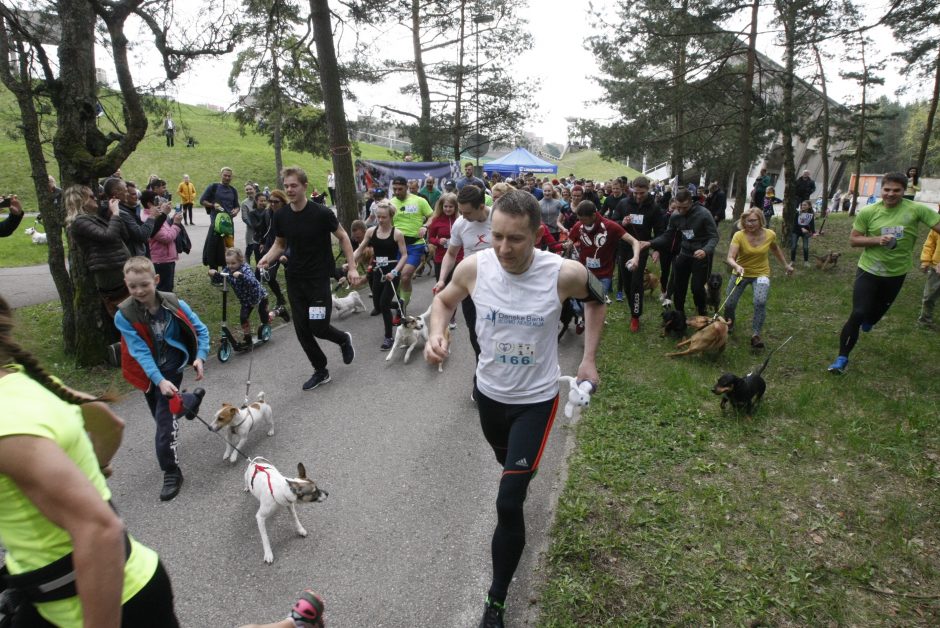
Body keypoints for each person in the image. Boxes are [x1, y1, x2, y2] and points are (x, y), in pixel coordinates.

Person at [423, 189, 607, 628]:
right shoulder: (475, 267)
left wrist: (588, 358)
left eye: (516, 239)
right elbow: (443, 301)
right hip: (489, 396)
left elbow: (598, 299)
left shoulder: (563, 273)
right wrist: (438, 333)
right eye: (498, 237)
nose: (504, 248)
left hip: (536, 401)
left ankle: (497, 602)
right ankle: (518, 468)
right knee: (508, 464)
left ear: (538, 235)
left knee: (509, 500)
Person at [0, 294, 183, 627]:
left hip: (101, 604)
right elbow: (109, 423)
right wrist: (87, 472)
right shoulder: (27, 382)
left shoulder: (5, 421)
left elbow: (99, 531)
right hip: (111, 588)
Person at [114, 256, 209, 501]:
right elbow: (140, 352)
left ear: (155, 280)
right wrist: (157, 380)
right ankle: (190, 400)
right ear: (126, 284)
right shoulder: (124, 315)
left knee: (165, 426)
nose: (138, 291)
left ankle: (171, 472)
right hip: (148, 375)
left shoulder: (174, 303)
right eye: (132, 286)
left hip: (172, 370)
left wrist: (200, 356)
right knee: (162, 416)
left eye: (144, 284)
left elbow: (201, 329)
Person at [258, 167, 359, 391]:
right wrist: (267, 258)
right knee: (302, 329)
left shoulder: (322, 213)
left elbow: (343, 236)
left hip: (318, 280)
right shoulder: (281, 215)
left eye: (294, 185)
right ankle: (320, 370)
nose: (289, 189)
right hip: (295, 279)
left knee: (318, 326)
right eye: (286, 186)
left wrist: (351, 267)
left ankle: (343, 339)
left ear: (304, 186)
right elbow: (280, 244)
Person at [827, 172, 940, 374]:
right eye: (887, 189)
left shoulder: (916, 210)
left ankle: (871, 321)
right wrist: (876, 240)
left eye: (896, 190)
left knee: (875, 314)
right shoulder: (869, 211)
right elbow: (854, 240)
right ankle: (841, 358)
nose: (890, 194)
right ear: (881, 189)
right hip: (869, 270)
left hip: (896, 273)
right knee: (858, 313)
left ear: (904, 191)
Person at [434, 184, 494, 362]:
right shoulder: (461, 224)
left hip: (498, 284)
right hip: (471, 284)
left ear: (481, 207)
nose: (463, 217)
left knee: (496, 331)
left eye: (467, 213)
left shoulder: (499, 219)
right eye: (461, 212)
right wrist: (442, 279)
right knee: (474, 332)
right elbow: (451, 254)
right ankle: (480, 372)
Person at [724, 207, 794, 348]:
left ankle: (756, 335)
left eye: (753, 221)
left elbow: (775, 249)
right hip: (741, 274)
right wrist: (736, 266)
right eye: (747, 221)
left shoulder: (770, 234)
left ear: (760, 220)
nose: (749, 224)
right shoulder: (739, 235)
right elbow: (730, 257)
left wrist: (786, 265)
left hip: (761, 273)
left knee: (760, 302)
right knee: (729, 303)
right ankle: (729, 324)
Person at [649, 189, 719, 317]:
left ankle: (701, 311)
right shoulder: (675, 215)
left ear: (691, 203)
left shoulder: (704, 214)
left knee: (697, 288)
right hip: (684, 252)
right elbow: (668, 235)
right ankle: (679, 313)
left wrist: (705, 250)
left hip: (701, 254)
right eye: (678, 207)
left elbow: (714, 237)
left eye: (684, 207)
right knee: (678, 286)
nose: (680, 211)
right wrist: (651, 243)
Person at [66, 185, 131, 317]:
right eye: (91, 196)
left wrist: (113, 215)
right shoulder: (79, 222)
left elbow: (124, 235)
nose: (95, 198)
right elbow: (108, 237)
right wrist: (116, 214)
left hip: (120, 270)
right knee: (126, 316)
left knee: (135, 312)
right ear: (80, 200)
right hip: (111, 276)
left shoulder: (94, 218)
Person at [609, 176, 662, 331]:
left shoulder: (654, 208)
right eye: (636, 192)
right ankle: (633, 308)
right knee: (626, 282)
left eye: (642, 193)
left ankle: (635, 316)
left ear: (648, 190)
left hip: (642, 249)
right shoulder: (624, 203)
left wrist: (655, 247)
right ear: (631, 189)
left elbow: (660, 231)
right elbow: (613, 223)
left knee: (636, 283)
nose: (638, 196)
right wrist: (622, 223)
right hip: (624, 247)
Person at [354, 201, 408, 350]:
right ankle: (398, 304)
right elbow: (360, 249)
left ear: (391, 216)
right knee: (377, 304)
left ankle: (388, 337)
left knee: (384, 304)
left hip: (392, 272)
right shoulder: (371, 232)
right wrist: (351, 261)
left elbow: (404, 255)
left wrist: (395, 271)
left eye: (384, 217)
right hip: (378, 271)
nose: (380, 220)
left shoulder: (397, 234)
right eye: (378, 217)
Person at [210, 247, 280, 346]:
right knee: (243, 317)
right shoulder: (228, 270)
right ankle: (247, 337)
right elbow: (221, 278)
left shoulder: (245, 268)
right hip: (245, 301)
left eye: (233, 263)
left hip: (259, 297)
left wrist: (241, 276)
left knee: (265, 319)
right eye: (228, 263)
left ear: (240, 261)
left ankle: (278, 311)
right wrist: (213, 274)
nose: (230, 266)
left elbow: (252, 281)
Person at [388, 175, 433, 309]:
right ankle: (402, 298)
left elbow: (432, 216)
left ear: (407, 188)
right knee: (395, 278)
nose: (396, 192)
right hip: (396, 246)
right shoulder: (390, 203)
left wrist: (425, 226)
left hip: (415, 245)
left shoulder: (419, 201)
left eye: (400, 189)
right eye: (394, 189)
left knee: (406, 276)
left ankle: (403, 305)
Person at [256, 190, 289, 321]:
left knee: (290, 277)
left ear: (282, 202)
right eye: (271, 201)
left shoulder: (288, 213)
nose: (273, 204)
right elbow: (264, 229)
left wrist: (287, 253)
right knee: (266, 274)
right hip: (272, 247)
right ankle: (280, 298)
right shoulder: (268, 213)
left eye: (276, 202)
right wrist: (262, 242)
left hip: (287, 248)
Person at [200, 167, 240, 272]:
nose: (227, 177)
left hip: (228, 225)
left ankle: (226, 272)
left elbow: (237, 206)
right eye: (225, 175)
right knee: (214, 249)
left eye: (229, 176)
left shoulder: (233, 190)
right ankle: (214, 274)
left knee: (229, 249)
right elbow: (202, 200)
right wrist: (213, 205)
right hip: (216, 224)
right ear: (221, 175)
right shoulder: (213, 187)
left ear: (232, 177)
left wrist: (236, 210)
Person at [143, 190, 183, 292]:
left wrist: (174, 219)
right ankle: (164, 308)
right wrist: (177, 224)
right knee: (164, 290)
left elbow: (167, 230)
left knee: (168, 288)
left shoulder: (158, 215)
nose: (160, 201)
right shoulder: (148, 218)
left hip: (166, 258)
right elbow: (167, 237)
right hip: (161, 260)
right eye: (157, 199)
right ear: (149, 203)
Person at [111, 178, 157, 258]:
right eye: (133, 194)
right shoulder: (122, 213)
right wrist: (152, 216)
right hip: (134, 258)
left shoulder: (131, 210)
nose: (137, 197)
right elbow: (141, 236)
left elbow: (148, 232)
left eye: (136, 193)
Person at [918, 204, 940, 327]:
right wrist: (925, 261)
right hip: (935, 268)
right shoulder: (936, 226)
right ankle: (925, 319)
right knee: (929, 296)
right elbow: (929, 245)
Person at [790, 200, 816, 267]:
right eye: (802, 205)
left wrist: (813, 233)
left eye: (805, 205)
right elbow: (795, 224)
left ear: (809, 206)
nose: (803, 206)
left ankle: (806, 262)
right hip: (796, 231)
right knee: (793, 247)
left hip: (805, 233)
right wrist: (802, 228)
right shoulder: (798, 213)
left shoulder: (811, 214)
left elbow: (812, 224)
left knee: (805, 247)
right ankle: (792, 261)